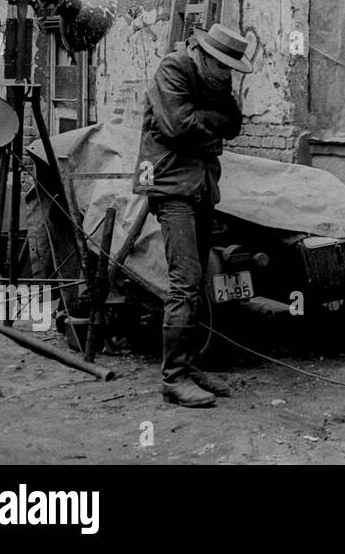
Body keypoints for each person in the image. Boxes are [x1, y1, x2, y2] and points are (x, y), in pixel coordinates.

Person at [133, 22, 252, 407]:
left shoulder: (216, 78)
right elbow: (176, 125)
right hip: (169, 186)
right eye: (222, 66)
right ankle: (174, 378)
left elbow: (232, 124)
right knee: (184, 282)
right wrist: (206, 121)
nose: (226, 76)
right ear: (202, 54)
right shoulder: (173, 69)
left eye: (231, 69)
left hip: (201, 185)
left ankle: (191, 365)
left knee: (198, 280)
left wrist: (205, 119)